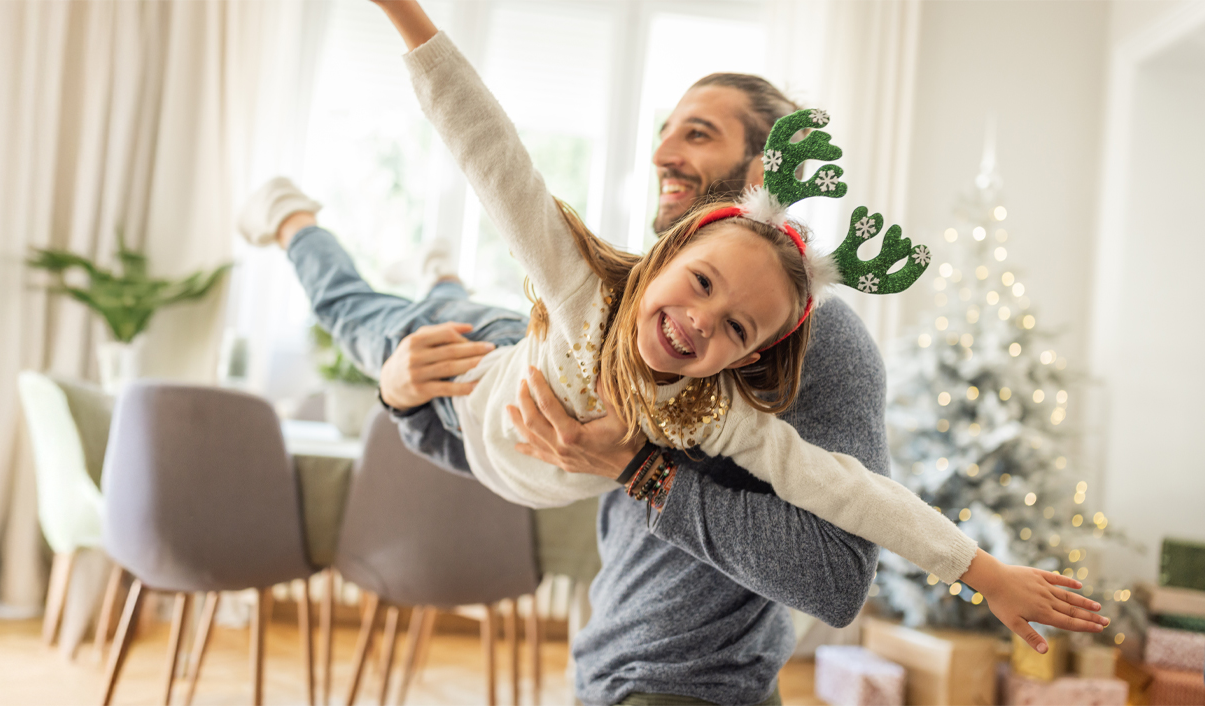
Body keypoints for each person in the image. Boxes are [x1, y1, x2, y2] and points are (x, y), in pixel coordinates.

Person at [279, 2, 1099, 703]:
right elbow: (490, 156)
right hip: (498, 389)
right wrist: (400, 398)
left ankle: (326, 235)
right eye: (700, 282)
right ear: (675, 259)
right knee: (368, 316)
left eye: (698, 135)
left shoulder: (732, 400)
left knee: (393, 310)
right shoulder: (601, 293)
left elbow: (850, 526)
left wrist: (983, 571)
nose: (664, 154)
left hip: (671, 678)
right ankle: (316, 234)